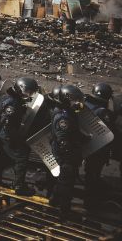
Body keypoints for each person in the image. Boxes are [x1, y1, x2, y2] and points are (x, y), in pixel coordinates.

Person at [49, 85, 88, 215]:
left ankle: (54, 200)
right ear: (67, 100)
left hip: (66, 151)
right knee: (67, 181)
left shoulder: (67, 112)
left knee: (63, 179)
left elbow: (73, 132)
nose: (77, 103)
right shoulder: (63, 117)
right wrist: (69, 158)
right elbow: (63, 139)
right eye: (74, 100)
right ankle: (64, 210)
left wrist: (84, 138)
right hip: (65, 154)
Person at [0, 77, 38, 196]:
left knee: (2, 158)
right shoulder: (12, 103)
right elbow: (7, 124)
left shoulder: (9, 97)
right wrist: (17, 139)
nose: (29, 95)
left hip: (2, 134)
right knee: (21, 158)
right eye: (28, 92)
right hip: (7, 135)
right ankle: (19, 186)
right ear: (21, 89)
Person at [83, 82, 115, 209]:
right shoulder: (103, 112)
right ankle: (90, 202)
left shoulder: (86, 105)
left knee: (90, 172)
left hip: (88, 145)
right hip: (98, 148)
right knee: (93, 174)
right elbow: (110, 127)